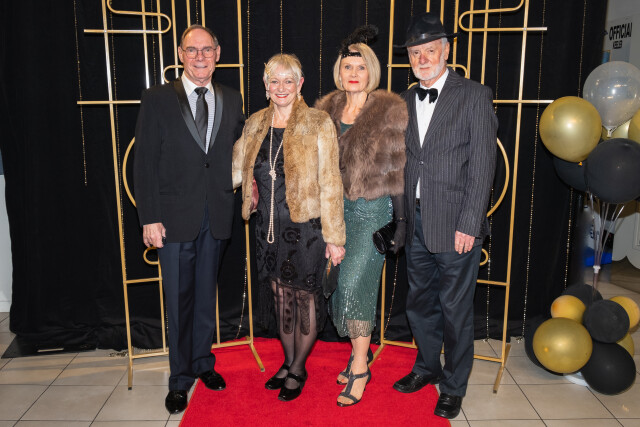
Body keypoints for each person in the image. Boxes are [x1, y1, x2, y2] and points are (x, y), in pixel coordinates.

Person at [133, 25, 245, 414]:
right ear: (181, 54)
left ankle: (202, 363)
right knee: (179, 301)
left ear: (218, 53)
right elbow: (144, 162)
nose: (200, 57)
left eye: (207, 49)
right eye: (192, 50)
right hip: (172, 219)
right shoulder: (157, 98)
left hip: (217, 215)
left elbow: (238, 154)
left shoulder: (232, 98)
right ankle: (179, 379)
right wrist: (149, 218)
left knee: (204, 298)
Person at [393, 12, 497, 419]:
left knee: (455, 309)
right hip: (415, 222)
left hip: (456, 224)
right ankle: (426, 367)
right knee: (419, 303)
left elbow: (483, 166)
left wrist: (470, 224)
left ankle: (454, 385)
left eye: (429, 51)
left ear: (446, 50)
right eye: (414, 53)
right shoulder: (404, 100)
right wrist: (400, 220)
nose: (421, 59)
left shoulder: (474, 95)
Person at [232, 53, 346, 402]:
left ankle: (297, 367)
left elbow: (331, 182)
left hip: (307, 230)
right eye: (274, 80)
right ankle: (288, 361)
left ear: (300, 84)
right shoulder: (255, 123)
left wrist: (335, 237)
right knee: (280, 295)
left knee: (304, 297)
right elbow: (236, 169)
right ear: (266, 86)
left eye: (288, 80)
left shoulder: (317, 122)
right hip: (267, 230)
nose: (281, 87)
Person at [315, 26, 408, 407]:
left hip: (372, 211)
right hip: (334, 213)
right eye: (347, 66)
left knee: (356, 285)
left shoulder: (389, 110)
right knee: (338, 285)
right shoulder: (325, 109)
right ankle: (359, 353)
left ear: (372, 71)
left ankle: (360, 366)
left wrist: (400, 222)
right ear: (339, 71)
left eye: (361, 67)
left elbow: (398, 170)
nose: (353, 73)